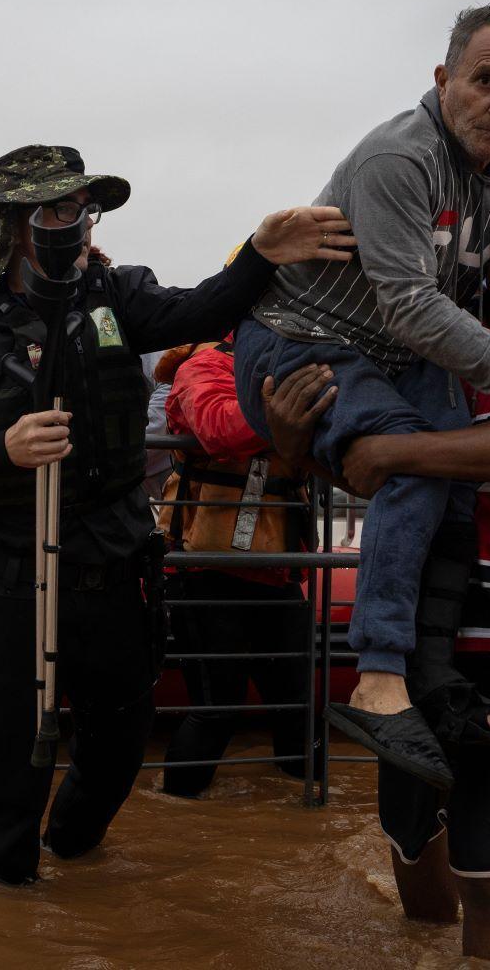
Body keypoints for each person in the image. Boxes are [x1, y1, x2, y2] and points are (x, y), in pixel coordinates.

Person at [0, 144, 351, 885]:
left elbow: (201, 308)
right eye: (51, 209)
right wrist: (1, 449)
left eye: (79, 207)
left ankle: (71, 853)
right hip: (16, 580)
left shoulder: (116, 297)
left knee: (118, 746)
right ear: (12, 225)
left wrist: (262, 256)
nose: (68, 223)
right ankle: (6, 900)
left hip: (112, 569)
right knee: (7, 770)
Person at [231, 0, 490, 788]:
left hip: (391, 354)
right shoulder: (398, 160)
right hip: (303, 339)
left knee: (443, 475)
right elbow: (412, 303)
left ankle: (435, 674)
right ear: (444, 78)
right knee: (414, 464)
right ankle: (378, 679)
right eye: (485, 80)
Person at [273, 178, 490, 963]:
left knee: (488, 860)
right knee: (404, 832)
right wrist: (297, 447)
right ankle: (423, 953)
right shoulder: (435, 328)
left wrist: (398, 450)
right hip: (420, 621)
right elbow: (366, 471)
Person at [153, 338, 318, 797]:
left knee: (299, 707)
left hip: (277, 567)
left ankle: (312, 819)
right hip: (205, 570)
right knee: (215, 708)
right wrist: (291, 421)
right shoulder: (205, 365)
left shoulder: (305, 368)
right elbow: (217, 428)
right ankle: (177, 812)